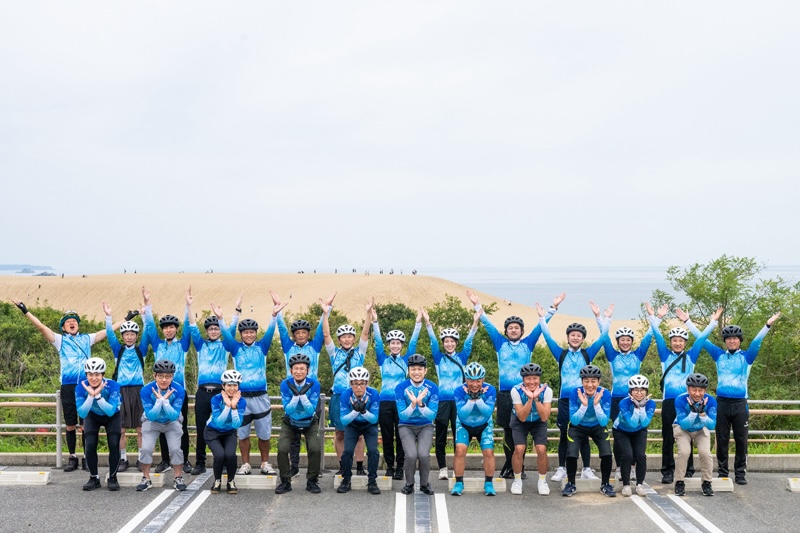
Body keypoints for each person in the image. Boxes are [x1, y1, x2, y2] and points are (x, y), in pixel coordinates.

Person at [10, 299, 119, 472]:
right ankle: (72, 457)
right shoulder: (60, 340)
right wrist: (25, 310)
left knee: (86, 423)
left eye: (74, 321)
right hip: (68, 385)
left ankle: (86, 457)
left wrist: (125, 319)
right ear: (63, 327)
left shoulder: (86, 339)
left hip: (87, 385)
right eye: (68, 322)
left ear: (78, 325)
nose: (71, 323)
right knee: (70, 424)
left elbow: (106, 332)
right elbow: (41, 327)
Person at [467, 290, 565, 479]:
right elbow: (488, 325)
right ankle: (509, 465)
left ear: (521, 330)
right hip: (505, 394)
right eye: (510, 328)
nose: (513, 330)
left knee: (523, 433)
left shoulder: (528, 343)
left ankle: (517, 467)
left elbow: (540, 328)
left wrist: (553, 308)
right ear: (506, 331)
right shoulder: (500, 343)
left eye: (516, 328)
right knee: (508, 432)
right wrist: (477, 304)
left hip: (525, 393)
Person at [686, 311, 781, 485]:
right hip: (721, 403)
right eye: (728, 338)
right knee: (721, 439)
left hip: (739, 404)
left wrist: (767, 325)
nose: (731, 340)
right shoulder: (718, 355)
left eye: (735, 338)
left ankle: (739, 473)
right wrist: (688, 321)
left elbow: (756, 342)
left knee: (741, 439)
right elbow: (701, 339)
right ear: (725, 341)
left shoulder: (747, 357)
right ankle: (723, 472)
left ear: (739, 340)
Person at [537, 301, 609, 483]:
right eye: (572, 335)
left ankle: (586, 468)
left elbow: (604, 337)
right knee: (564, 434)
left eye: (578, 336)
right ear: (568, 337)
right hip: (565, 400)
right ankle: (561, 467)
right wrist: (543, 316)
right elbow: (546, 336)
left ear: (582, 339)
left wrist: (599, 317)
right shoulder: (561, 354)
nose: (575, 338)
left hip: (585, 398)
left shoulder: (587, 354)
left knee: (583, 434)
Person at [650, 306, 721, 484]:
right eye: (674, 340)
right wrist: (654, 318)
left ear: (685, 343)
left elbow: (702, 338)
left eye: (681, 340)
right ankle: (667, 471)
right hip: (669, 402)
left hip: (688, 402)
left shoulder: (691, 356)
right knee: (668, 437)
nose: (678, 343)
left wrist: (713, 322)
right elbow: (657, 336)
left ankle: (688, 470)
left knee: (689, 433)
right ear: (671, 342)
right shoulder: (665, 355)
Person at [212, 302, 280, 476]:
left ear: (256, 333)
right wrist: (220, 319)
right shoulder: (235, 348)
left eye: (251, 332)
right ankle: (246, 464)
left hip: (260, 397)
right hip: (241, 398)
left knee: (264, 435)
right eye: (245, 332)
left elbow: (271, 333)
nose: (249, 335)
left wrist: (274, 316)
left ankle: (265, 463)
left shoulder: (262, 347)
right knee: (243, 434)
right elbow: (227, 335)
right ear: (241, 334)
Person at [141, 286, 196, 474]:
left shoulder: (183, 344)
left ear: (175, 329)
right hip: (159, 391)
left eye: (172, 327)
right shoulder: (157, 344)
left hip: (178, 391)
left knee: (182, 426)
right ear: (163, 330)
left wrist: (188, 306)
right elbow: (149, 327)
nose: (169, 330)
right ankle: (165, 460)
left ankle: (185, 460)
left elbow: (189, 327)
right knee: (161, 425)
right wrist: (148, 305)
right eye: (165, 327)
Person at [272, 290, 327, 478]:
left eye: (304, 332)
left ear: (307, 334)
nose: (301, 335)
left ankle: (315, 471)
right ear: (294, 335)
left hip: (312, 394)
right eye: (297, 333)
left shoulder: (314, 347)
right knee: (292, 438)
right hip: (292, 391)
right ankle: (294, 467)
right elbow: (281, 331)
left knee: (314, 434)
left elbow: (321, 331)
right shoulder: (289, 347)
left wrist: (325, 312)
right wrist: (278, 313)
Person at [422, 307, 480, 481]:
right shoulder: (439, 358)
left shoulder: (462, 357)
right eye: (446, 341)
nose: (449, 344)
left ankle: (457, 467)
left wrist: (475, 323)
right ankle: (442, 468)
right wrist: (428, 323)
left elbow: (469, 342)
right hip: (441, 401)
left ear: (455, 342)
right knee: (440, 435)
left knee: (458, 435)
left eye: (452, 341)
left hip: (458, 401)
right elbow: (432, 342)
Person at [189, 294, 241, 475]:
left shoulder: (226, 345)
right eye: (210, 329)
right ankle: (200, 462)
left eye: (216, 328)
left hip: (221, 392)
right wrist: (189, 306)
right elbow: (193, 327)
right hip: (203, 392)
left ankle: (225, 461)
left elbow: (231, 330)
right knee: (201, 426)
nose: (213, 331)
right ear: (207, 331)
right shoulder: (200, 345)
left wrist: (236, 311)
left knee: (224, 425)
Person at [321, 296, 372, 477]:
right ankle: (343, 466)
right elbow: (326, 335)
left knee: (358, 434)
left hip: (357, 396)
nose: (347, 339)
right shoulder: (334, 353)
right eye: (344, 336)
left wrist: (368, 314)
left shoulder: (359, 353)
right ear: (340, 339)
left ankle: (359, 466)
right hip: (338, 396)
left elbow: (365, 334)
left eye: (350, 336)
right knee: (340, 433)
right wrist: (325, 314)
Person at [372, 305, 422, 480]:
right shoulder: (382, 359)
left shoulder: (407, 360)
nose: (394, 345)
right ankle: (389, 466)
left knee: (401, 435)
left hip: (402, 402)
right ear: (389, 345)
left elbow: (414, 343)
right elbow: (377, 342)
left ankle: (400, 466)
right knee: (386, 436)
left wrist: (418, 323)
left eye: (398, 343)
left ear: (401, 345)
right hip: (384, 401)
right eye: (392, 343)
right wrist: (375, 322)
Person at [561, 365, 614, 497]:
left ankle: (605, 484)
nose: (590, 385)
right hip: (578, 426)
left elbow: (603, 422)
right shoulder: (575, 393)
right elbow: (574, 421)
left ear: (599, 382)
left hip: (597, 425)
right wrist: (584, 405)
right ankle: (571, 484)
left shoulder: (605, 394)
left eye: (593, 381)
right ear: (582, 381)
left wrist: (596, 404)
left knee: (607, 453)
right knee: (572, 453)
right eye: (586, 381)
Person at [104, 306, 146, 473]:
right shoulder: (118, 350)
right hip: (121, 391)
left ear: (136, 336)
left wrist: (143, 317)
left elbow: (149, 334)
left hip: (138, 390)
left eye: (132, 334)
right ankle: (123, 459)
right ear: (123, 336)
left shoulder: (140, 350)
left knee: (141, 428)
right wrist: (109, 317)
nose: (129, 337)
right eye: (126, 334)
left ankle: (142, 459)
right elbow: (109, 335)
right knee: (120, 429)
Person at [136, 359, 188, 492]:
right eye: (160, 376)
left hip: (171, 421)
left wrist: (165, 402)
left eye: (168, 376)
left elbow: (173, 416)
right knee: (146, 448)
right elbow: (151, 416)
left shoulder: (179, 390)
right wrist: (159, 402)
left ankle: (178, 477)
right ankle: (146, 478)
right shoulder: (146, 390)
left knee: (176, 449)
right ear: (154, 376)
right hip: (152, 421)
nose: (164, 380)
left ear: (172, 377)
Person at [276, 354, 323, 494]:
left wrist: (302, 395)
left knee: (315, 448)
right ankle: (285, 481)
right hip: (290, 421)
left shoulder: (314, 384)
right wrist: (296, 397)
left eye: (302, 368)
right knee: (282, 448)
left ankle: (312, 480)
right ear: (291, 371)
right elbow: (288, 409)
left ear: (307, 370)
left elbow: (310, 410)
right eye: (295, 368)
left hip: (310, 420)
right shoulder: (285, 384)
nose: (299, 371)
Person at [450, 362, 497, 497]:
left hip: (484, 424)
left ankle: (488, 483)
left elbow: (487, 413)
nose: (474, 384)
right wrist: (471, 399)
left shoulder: (490, 389)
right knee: (460, 450)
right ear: (466, 379)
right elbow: (462, 413)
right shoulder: (459, 390)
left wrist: (478, 399)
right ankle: (459, 483)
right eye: (471, 380)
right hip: (464, 424)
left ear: (483, 379)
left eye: (478, 381)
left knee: (488, 451)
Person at [76, 357, 122, 491]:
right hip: (92, 415)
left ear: (103, 375)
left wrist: (97, 396)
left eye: (97, 375)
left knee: (114, 443)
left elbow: (110, 411)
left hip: (112, 415)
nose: (94, 378)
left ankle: (113, 477)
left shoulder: (113, 385)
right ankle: (93, 477)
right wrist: (90, 396)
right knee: (90, 444)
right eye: (90, 375)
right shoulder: (81, 386)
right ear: (86, 375)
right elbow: (83, 413)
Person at [396, 354, 439, 495]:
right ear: (408, 371)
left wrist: (420, 404)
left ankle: (424, 483)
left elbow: (432, 415)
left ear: (425, 370)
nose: (416, 372)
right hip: (406, 425)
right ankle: (409, 483)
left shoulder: (432, 387)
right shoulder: (401, 387)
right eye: (413, 369)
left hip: (425, 425)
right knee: (411, 455)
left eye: (420, 369)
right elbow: (402, 415)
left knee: (423, 454)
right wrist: (413, 404)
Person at [509, 363, 553, 496]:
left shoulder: (547, 390)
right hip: (520, 419)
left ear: (539, 379)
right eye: (528, 379)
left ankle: (542, 481)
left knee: (541, 449)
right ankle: (517, 480)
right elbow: (521, 417)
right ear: (523, 379)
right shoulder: (516, 390)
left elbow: (545, 417)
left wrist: (537, 399)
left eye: (535, 378)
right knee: (519, 449)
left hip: (538, 420)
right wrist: (529, 399)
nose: (532, 382)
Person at [336, 367, 382, 495]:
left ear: (366, 383)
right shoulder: (345, 395)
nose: (359, 387)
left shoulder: (374, 394)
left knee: (373, 451)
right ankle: (346, 480)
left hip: (369, 425)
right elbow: (344, 421)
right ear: (350, 384)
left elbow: (374, 419)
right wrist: (355, 411)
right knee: (347, 451)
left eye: (362, 383)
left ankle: (372, 481)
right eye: (355, 383)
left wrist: (364, 411)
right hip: (352, 424)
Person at [673, 373, 718, 497]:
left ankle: (707, 482)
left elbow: (711, 425)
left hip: (700, 428)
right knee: (685, 452)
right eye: (694, 390)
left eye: (701, 390)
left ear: (705, 390)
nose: (697, 394)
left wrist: (702, 413)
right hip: (683, 428)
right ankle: (679, 482)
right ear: (688, 389)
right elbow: (684, 425)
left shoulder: (711, 401)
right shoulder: (680, 400)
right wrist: (693, 413)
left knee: (705, 453)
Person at [612, 374, 656, 497]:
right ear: (630, 391)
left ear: (646, 391)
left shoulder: (650, 404)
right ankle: (626, 485)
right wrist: (638, 408)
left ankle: (639, 484)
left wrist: (642, 407)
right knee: (627, 455)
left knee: (640, 455)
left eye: (642, 390)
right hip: (621, 430)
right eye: (635, 390)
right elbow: (631, 422)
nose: (639, 393)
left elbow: (645, 422)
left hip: (639, 430)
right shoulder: (624, 403)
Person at [206, 370, 246, 494]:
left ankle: (231, 481)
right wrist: (227, 406)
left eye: (235, 385)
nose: (232, 388)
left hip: (229, 432)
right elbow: (219, 422)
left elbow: (236, 424)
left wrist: (234, 406)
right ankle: (217, 481)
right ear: (223, 386)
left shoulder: (242, 401)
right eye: (229, 385)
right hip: (213, 431)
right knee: (219, 455)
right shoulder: (216, 399)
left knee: (230, 455)